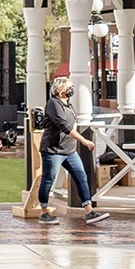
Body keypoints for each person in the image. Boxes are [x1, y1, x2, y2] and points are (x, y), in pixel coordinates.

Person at [35, 76, 101, 225]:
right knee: (48, 179)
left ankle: (89, 211)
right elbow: (64, 126)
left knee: (81, 177)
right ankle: (44, 212)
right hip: (53, 150)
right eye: (69, 87)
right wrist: (83, 140)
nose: (72, 89)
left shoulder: (68, 105)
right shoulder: (53, 104)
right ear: (60, 90)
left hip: (69, 150)